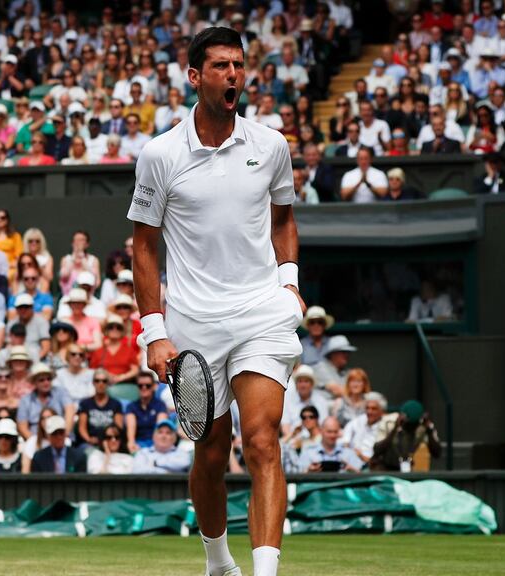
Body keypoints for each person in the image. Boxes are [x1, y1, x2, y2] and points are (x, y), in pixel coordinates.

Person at [129, 28, 305, 576]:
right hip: (194, 322)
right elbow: (143, 244)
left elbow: (283, 217)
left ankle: (266, 573)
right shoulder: (159, 154)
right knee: (209, 454)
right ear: (195, 76)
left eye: (239, 65)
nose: (234, 75)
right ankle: (218, 563)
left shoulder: (272, 145)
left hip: (261, 313)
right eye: (222, 66)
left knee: (262, 440)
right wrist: (155, 331)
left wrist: (290, 280)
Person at [371, 400, 442, 471]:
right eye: (408, 425)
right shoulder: (388, 422)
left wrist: (429, 432)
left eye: (414, 425)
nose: (411, 428)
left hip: (405, 466)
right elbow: (377, 450)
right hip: (383, 465)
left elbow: (437, 453)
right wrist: (395, 429)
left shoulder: (424, 426)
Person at [17, 363, 73, 439]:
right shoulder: (25, 400)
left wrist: (64, 436)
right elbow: (22, 427)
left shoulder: (61, 392)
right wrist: (35, 444)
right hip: (36, 440)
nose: (46, 382)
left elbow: (70, 412)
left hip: (60, 437)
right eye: (41, 380)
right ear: (34, 382)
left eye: (48, 379)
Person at [76, 369, 124, 448]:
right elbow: (82, 428)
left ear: (108, 383)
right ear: (93, 383)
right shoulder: (85, 403)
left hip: (110, 442)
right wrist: (89, 439)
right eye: (97, 381)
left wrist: (108, 440)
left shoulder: (116, 404)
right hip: (90, 443)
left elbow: (118, 428)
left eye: (104, 381)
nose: (100, 384)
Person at [298, 416, 363, 472]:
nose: (332, 435)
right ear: (321, 431)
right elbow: (298, 477)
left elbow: (362, 476)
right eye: (329, 432)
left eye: (335, 432)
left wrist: (352, 471)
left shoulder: (348, 453)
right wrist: (309, 471)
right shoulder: (308, 453)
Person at [340, 392, 390, 465]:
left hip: (371, 467)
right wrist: (348, 451)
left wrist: (361, 456)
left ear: (382, 411)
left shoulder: (386, 426)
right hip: (350, 462)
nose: (369, 412)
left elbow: (379, 461)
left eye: (374, 409)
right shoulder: (360, 420)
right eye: (367, 408)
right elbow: (346, 438)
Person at [125, 371, 169, 452]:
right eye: (140, 385)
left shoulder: (160, 405)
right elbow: (131, 432)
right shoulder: (131, 407)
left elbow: (161, 428)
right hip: (139, 444)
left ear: (153, 386)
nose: (144, 388)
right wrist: (132, 444)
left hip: (156, 444)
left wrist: (156, 448)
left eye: (148, 386)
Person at [281, 365, 330, 434]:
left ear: (312, 384)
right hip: (294, 441)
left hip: (316, 440)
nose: (303, 385)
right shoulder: (288, 401)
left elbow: (324, 426)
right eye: (300, 381)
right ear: (296, 384)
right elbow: (285, 426)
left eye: (306, 381)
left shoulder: (321, 401)